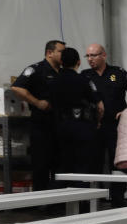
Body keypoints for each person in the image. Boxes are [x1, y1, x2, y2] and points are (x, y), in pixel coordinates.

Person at [10, 40, 65, 191]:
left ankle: (58, 200)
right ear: (49, 53)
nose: (64, 55)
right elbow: (17, 87)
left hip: (60, 124)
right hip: (42, 124)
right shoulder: (36, 69)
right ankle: (41, 202)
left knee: (59, 164)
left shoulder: (63, 71)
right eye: (61, 51)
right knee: (41, 164)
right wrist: (36, 102)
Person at [50, 47, 104, 192]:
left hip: (60, 127)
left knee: (63, 164)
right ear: (79, 62)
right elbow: (100, 106)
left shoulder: (53, 81)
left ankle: (57, 200)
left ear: (61, 62)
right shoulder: (84, 80)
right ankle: (83, 201)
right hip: (82, 127)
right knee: (83, 165)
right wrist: (97, 122)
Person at [80, 43, 127, 177]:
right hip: (93, 126)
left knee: (117, 161)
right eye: (87, 56)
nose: (89, 59)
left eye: (93, 55)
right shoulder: (84, 75)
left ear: (104, 55)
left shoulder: (118, 72)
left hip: (116, 125)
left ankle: (117, 196)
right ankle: (94, 194)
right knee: (93, 161)